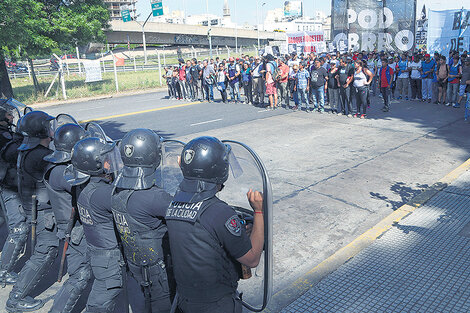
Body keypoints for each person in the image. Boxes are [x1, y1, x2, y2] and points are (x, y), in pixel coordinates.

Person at [166, 136, 264, 313]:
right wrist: (258, 211)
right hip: (216, 305)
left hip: (185, 301)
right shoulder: (220, 213)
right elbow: (252, 259)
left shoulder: (173, 205)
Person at [111, 129, 173, 313]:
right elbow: (186, 217)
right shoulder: (155, 197)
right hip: (160, 274)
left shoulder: (117, 191)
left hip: (135, 268)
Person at [65, 137, 125, 312]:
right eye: (107, 159)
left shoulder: (83, 185)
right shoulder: (102, 193)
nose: (110, 162)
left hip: (97, 252)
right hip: (109, 258)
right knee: (101, 303)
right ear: (97, 165)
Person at [6, 111, 55, 312]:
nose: (53, 129)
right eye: (49, 126)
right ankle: (16, 298)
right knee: (45, 251)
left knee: (44, 251)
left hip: (33, 208)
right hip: (43, 212)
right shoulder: (41, 156)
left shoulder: (27, 150)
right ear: (41, 130)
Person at [43, 123, 92, 313]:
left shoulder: (57, 166)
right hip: (74, 230)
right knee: (79, 275)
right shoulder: (64, 173)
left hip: (71, 228)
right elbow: (88, 191)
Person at [0, 107, 25, 285]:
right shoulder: (4, 137)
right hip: (8, 188)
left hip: (7, 185)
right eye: (8, 115)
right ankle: (3, 271)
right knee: (18, 228)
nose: (11, 117)